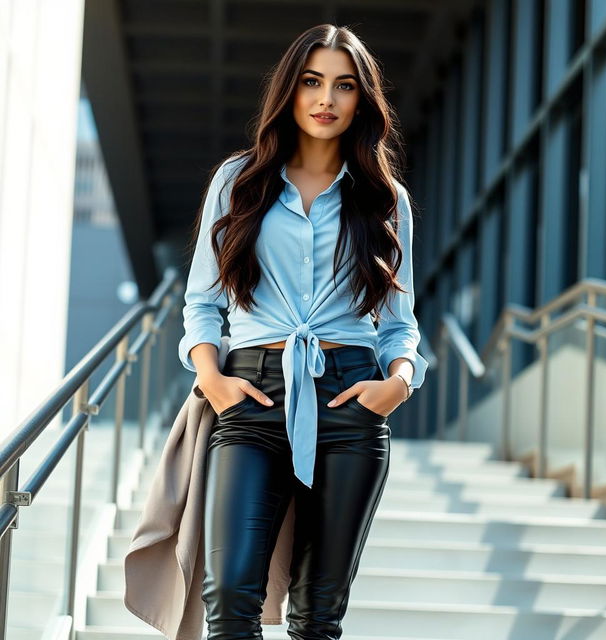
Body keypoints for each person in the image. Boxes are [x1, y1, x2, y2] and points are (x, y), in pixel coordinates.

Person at [177, 23, 428, 640]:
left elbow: (401, 324)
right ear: (289, 91)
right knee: (231, 594)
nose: (326, 99)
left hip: (350, 398)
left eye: (344, 86)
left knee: (318, 615)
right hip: (253, 395)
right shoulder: (238, 181)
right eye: (312, 82)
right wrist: (212, 378)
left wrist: (398, 383)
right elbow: (203, 304)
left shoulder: (385, 199)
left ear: (362, 101)